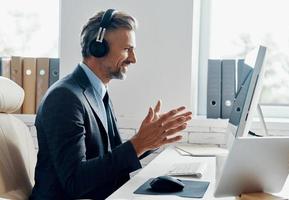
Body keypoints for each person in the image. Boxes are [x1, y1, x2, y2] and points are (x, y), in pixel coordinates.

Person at [30, 9, 192, 200]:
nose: (133, 59)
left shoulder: (96, 91)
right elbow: (75, 181)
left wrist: (148, 141)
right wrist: (136, 145)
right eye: (126, 49)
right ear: (97, 48)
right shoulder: (64, 98)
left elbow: (106, 159)